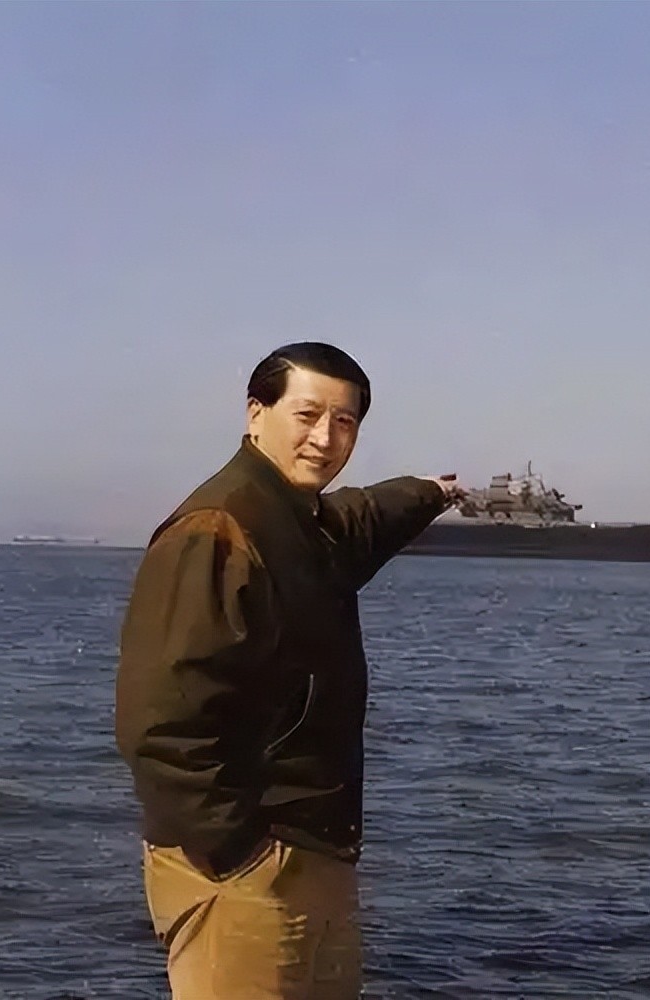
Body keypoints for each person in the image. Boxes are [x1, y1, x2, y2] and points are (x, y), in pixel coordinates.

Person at [115, 342, 464, 999]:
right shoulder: (219, 529)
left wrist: (429, 493)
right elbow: (161, 724)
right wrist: (237, 855)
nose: (325, 438)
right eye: (307, 415)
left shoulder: (304, 523)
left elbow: (363, 517)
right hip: (248, 865)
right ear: (256, 413)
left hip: (312, 850)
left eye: (345, 421)